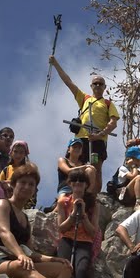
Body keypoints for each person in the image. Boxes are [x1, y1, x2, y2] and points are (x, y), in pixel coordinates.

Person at [0, 163, 85, 278]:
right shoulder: (2, 205)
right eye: (22, 182)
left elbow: (31, 253)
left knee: (64, 268)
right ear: (13, 185)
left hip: (18, 260)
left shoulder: (24, 218)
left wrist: (53, 259)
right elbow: (4, 232)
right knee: (22, 265)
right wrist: (20, 255)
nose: (27, 187)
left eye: (31, 184)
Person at [49, 56, 120, 193]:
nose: (98, 86)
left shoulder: (108, 104)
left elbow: (113, 122)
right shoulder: (85, 99)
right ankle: (71, 192)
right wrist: (56, 64)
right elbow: (68, 82)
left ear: (105, 87)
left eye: (100, 84)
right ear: (91, 86)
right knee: (77, 165)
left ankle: (93, 195)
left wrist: (100, 135)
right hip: (81, 139)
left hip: (98, 140)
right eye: (95, 83)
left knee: (96, 167)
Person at [56, 170, 99, 278]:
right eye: (74, 180)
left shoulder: (93, 204)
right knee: (64, 267)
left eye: (82, 181)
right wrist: (74, 213)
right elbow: (61, 228)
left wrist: (84, 215)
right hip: (67, 239)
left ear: (86, 184)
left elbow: (93, 231)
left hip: (85, 240)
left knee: (81, 269)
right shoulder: (63, 201)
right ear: (70, 184)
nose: (78, 183)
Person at [0, 140, 36, 208]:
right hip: (7, 197)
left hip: (24, 199)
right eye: (15, 152)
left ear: (25, 154)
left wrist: (11, 182)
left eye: (21, 152)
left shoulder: (28, 169)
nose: (18, 155)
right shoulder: (7, 169)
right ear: (11, 153)